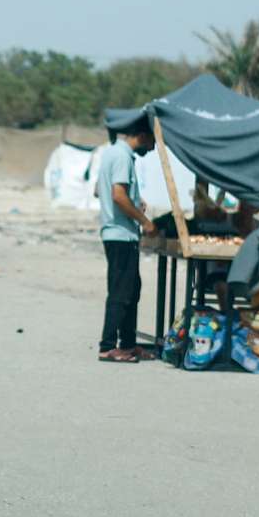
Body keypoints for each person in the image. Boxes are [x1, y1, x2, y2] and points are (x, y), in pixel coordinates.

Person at [95, 129, 156, 363]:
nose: (152, 148)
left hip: (119, 233)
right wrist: (144, 221)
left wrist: (135, 200)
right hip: (120, 234)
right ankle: (108, 347)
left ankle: (128, 344)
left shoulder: (111, 153)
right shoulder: (122, 156)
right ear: (142, 135)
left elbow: (99, 189)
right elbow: (118, 195)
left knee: (131, 289)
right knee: (120, 291)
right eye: (152, 141)